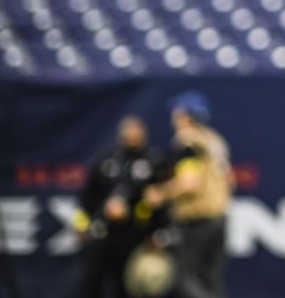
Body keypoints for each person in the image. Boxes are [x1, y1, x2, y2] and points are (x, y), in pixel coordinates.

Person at [144, 92, 232, 298]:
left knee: (185, 278)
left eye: (177, 112)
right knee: (211, 279)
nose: (174, 117)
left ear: (185, 115)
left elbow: (189, 183)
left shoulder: (187, 140)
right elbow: (230, 180)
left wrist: (160, 194)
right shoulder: (214, 139)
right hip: (219, 216)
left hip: (197, 219)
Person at [73, 116, 162, 298]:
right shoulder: (105, 160)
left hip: (133, 237)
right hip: (102, 234)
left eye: (136, 130)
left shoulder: (153, 163)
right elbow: (87, 197)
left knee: (129, 287)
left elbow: (157, 202)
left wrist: (145, 223)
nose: (131, 134)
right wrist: (83, 225)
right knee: (92, 284)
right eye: (127, 129)